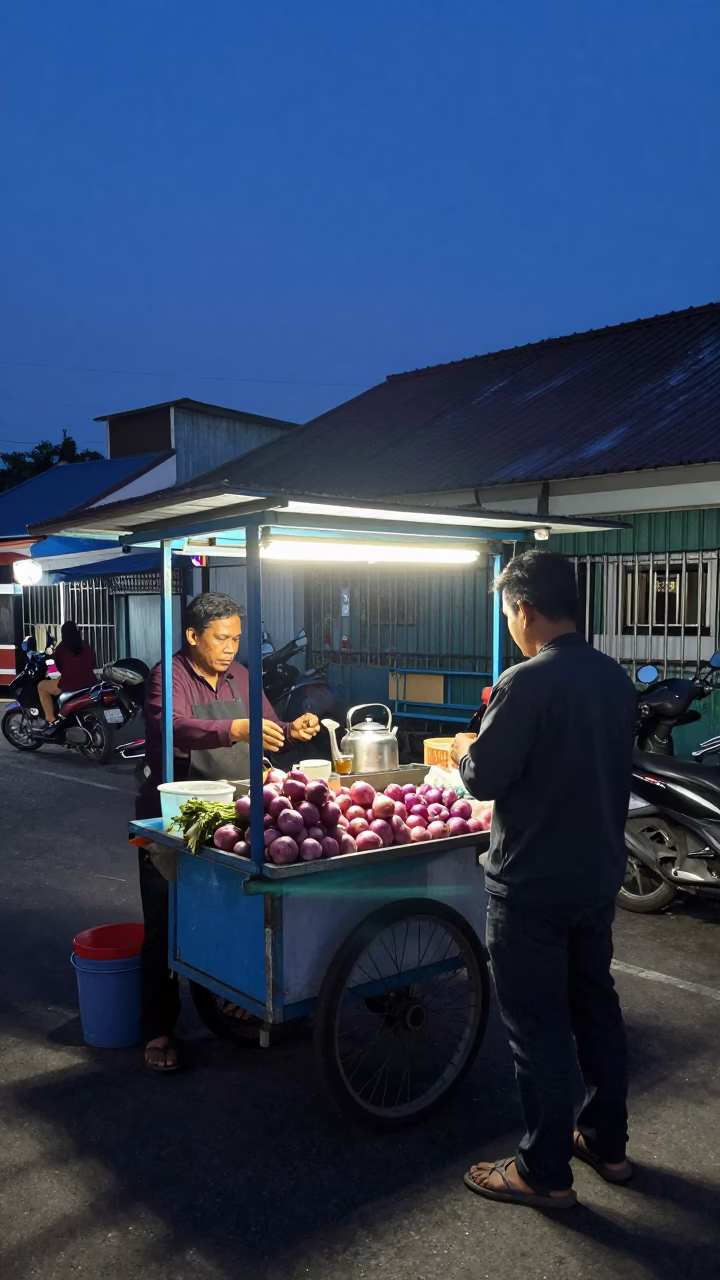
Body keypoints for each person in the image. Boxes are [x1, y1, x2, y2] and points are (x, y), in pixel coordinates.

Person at [451, 550, 637, 1210]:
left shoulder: (525, 682)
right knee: (595, 1008)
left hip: (530, 885)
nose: (510, 626)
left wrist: (463, 753)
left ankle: (544, 1172)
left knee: (538, 1030)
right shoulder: (615, 680)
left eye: (508, 614)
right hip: (594, 879)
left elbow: (485, 778)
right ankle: (606, 1144)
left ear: (525, 610)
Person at [136, 592, 321, 1072]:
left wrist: (289, 728)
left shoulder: (242, 676)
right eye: (220, 638)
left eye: (236, 639)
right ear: (193, 636)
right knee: (165, 918)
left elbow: (266, 725)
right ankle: (158, 1027)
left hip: (235, 810)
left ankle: (235, 990)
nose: (230, 649)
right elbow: (173, 727)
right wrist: (236, 728)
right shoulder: (168, 676)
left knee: (236, 907)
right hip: (177, 814)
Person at [37, 620, 98, 725]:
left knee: (41, 686)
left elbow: (58, 668)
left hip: (70, 684)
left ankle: (51, 720)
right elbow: (93, 664)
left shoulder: (61, 648)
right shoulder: (86, 646)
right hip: (90, 682)